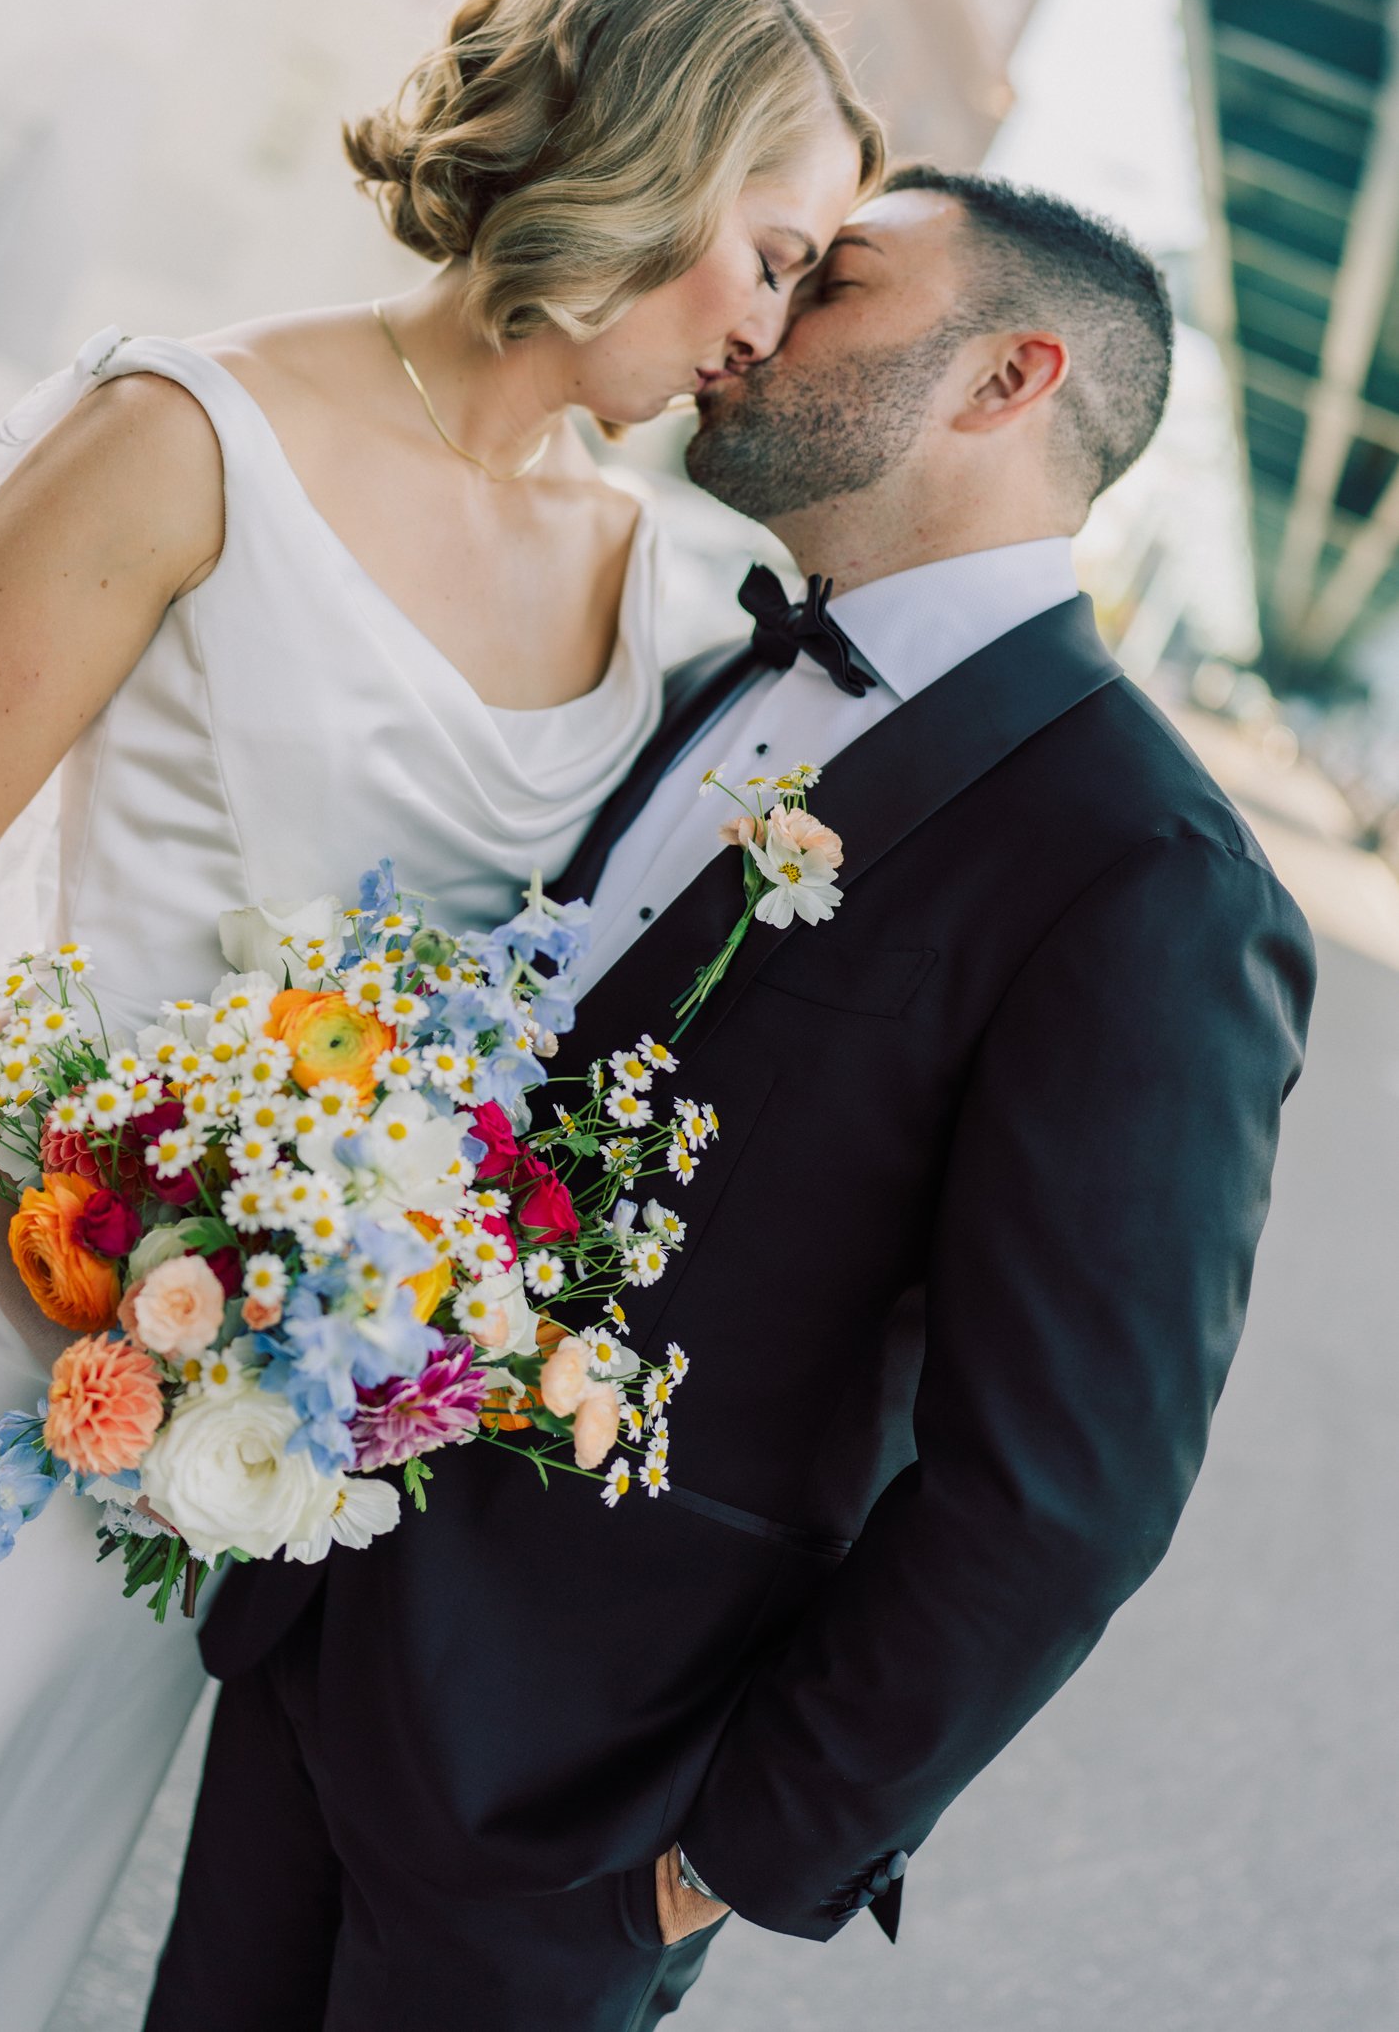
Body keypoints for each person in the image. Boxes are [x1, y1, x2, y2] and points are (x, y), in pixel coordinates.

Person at [0, 0, 878, 2032]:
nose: (773, 326)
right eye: (773, 247)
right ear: (646, 158)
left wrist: (304, 1373)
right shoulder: (191, 432)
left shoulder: (648, 583)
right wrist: (103, 1302)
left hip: (245, 1432)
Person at [151, 167, 1315, 2029]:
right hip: (330, 1625)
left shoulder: (1147, 875)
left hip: (592, 1806)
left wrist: (721, 1856)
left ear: (1005, 382)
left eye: (831, 285)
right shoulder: (707, 677)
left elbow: (1066, 1494)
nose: (752, 322)